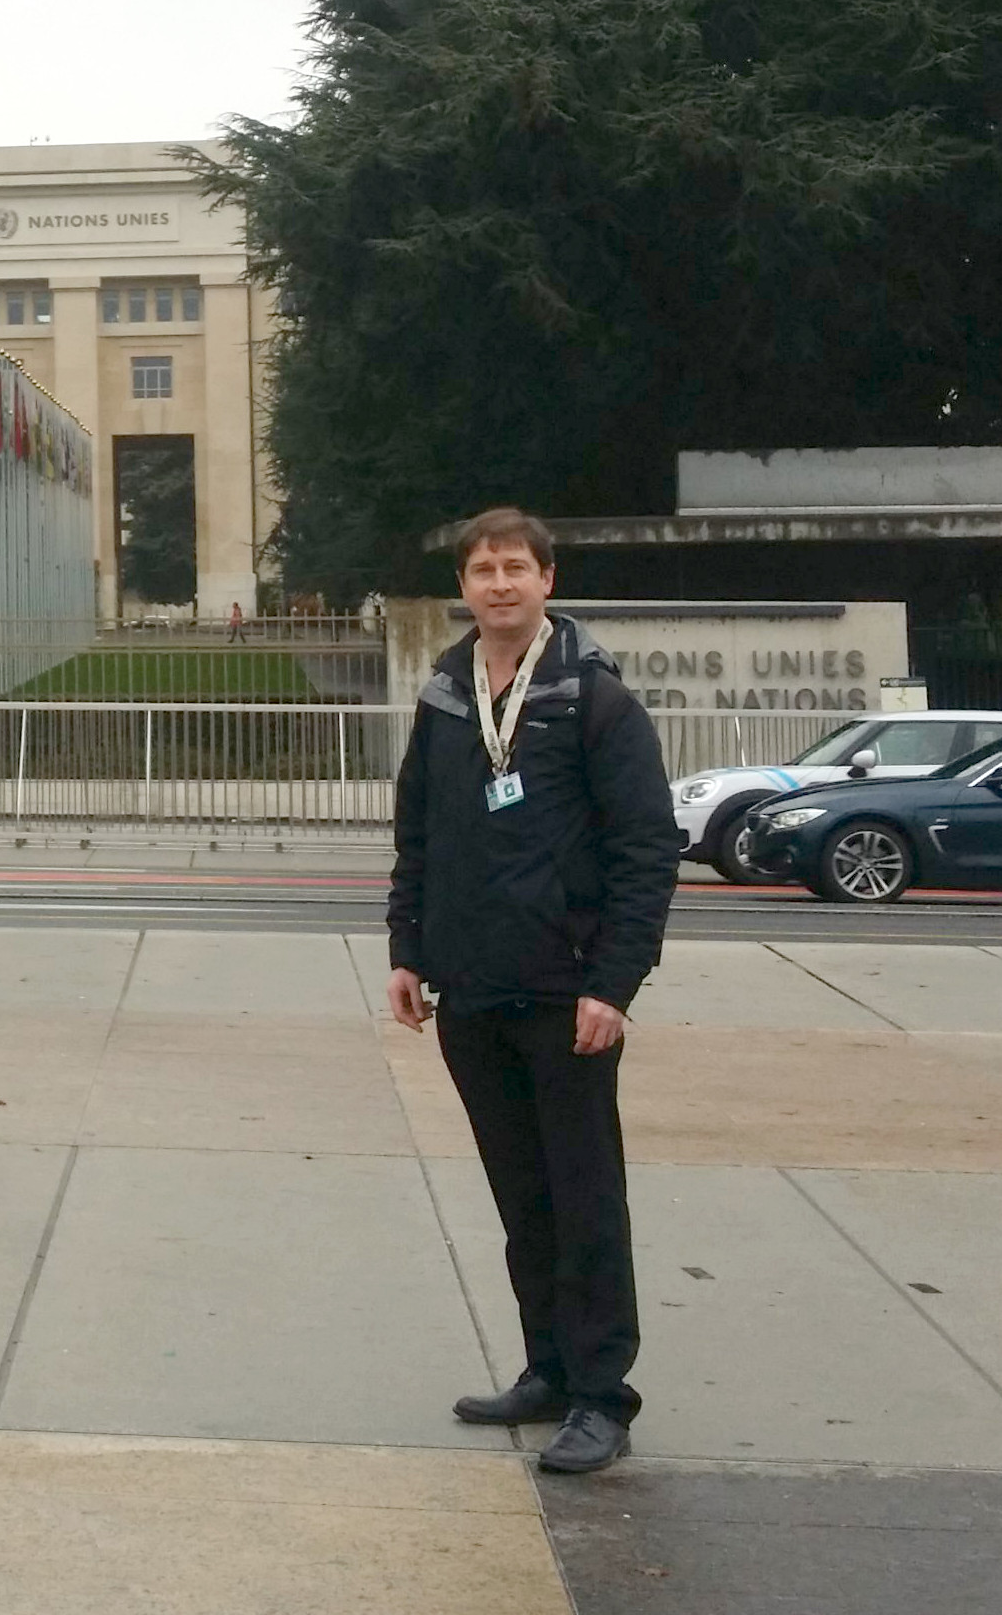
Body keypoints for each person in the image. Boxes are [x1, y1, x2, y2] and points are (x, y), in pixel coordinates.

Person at [386, 507, 678, 1474]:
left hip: (568, 997)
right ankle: (547, 1369)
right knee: (524, 1198)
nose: (499, 584)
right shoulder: (444, 696)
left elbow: (645, 851)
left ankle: (602, 1394)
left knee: (585, 1196)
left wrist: (615, 983)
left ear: (549, 580)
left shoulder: (592, 700)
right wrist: (406, 949)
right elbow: (417, 837)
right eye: (482, 569)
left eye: (517, 567)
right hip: (470, 991)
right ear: (463, 588)